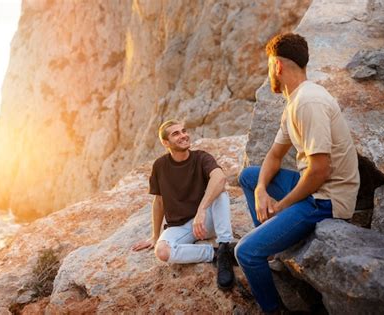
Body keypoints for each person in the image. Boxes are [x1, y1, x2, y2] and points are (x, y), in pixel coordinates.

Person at [235, 33, 360, 313]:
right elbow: (274, 155)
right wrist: (261, 191)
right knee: (250, 176)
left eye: (269, 66)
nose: (269, 72)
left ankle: (273, 308)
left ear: (277, 67)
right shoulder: (294, 102)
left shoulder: (309, 102)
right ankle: (275, 247)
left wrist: (281, 205)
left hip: (327, 200)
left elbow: (320, 171)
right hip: (313, 190)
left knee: (245, 252)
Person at [132, 119, 235, 290]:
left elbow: (220, 178)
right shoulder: (160, 166)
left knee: (220, 193)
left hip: (206, 222)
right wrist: (155, 236)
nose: (183, 135)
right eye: (176, 133)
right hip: (181, 226)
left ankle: (225, 244)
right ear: (166, 143)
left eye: (184, 131)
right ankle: (217, 254)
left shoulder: (201, 157)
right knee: (162, 252)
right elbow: (158, 202)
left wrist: (201, 210)